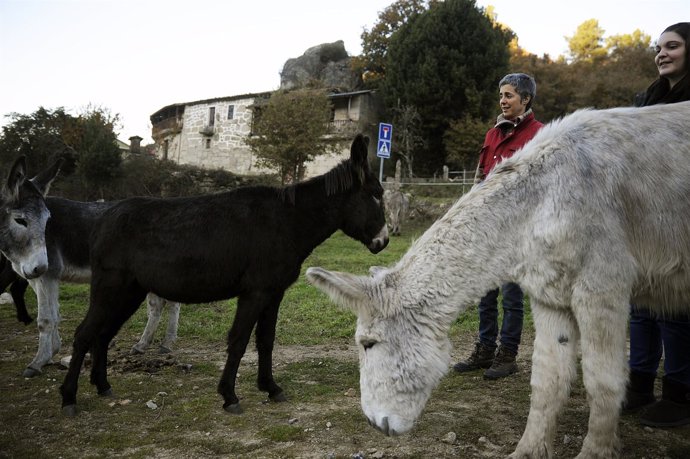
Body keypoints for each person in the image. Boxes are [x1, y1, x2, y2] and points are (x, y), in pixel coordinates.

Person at [453, 73, 543, 380]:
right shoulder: (492, 134)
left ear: (526, 99)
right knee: (486, 293)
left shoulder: (539, 134)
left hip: (518, 229)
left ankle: (508, 355)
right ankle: (485, 349)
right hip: (488, 227)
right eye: (501, 96)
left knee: (512, 294)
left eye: (509, 96)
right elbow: (482, 178)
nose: (503, 101)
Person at [624, 22, 690, 427]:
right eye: (658, 48)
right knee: (640, 302)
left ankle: (680, 395)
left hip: (680, 217)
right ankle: (640, 383)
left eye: (673, 46)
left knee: (674, 307)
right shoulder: (646, 100)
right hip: (644, 214)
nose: (662, 54)